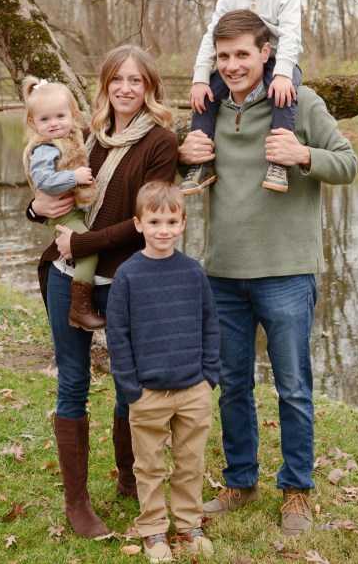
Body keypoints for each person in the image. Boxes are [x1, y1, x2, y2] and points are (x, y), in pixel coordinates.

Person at [178, 9, 358, 537]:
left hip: (287, 272)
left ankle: (297, 489)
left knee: (293, 387)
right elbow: (178, 172)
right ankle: (240, 481)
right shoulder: (207, 108)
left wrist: (303, 154)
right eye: (224, 56)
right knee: (232, 384)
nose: (233, 65)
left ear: (265, 53)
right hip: (223, 273)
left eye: (243, 54)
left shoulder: (299, 102)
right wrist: (181, 156)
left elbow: (348, 163)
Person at [27, 46, 179, 538]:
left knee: (129, 383)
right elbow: (56, 193)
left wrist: (83, 242)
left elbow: (147, 221)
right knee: (73, 381)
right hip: (65, 274)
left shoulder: (160, 143)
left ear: (149, 86)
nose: (125, 89)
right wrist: (35, 208)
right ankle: (77, 502)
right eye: (117, 79)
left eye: (136, 80)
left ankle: (130, 479)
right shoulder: (85, 134)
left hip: (126, 280)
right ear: (105, 85)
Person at [107, 181, 220, 562]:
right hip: (148, 393)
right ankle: (153, 529)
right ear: (139, 224)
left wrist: (208, 377)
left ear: (183, 223)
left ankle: (189, 524)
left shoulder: (193, 272)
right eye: (154, 222)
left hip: (192, 390)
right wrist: (131, 388)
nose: (163, 230)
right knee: (149, 466)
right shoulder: (128, 275)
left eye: (172, 222)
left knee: (190, 463)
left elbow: (210, 325)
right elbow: (118, 335)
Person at [180, 0, 302, 195]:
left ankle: (279, 162)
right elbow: (212, 37)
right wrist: (200, 78)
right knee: (206, 96)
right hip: (239, 62)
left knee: (283, 96)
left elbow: (291, 36)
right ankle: (202, 163)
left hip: (278, 59)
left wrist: (283, 74)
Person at [22, 76, 104, 331]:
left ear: (73, 114)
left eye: (60, 116)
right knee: (87, 250)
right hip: (64, 214)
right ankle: (80, 308)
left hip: (74, 210)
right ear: (33, 123)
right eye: (45, 119)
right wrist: (74, 178)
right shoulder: (45, 148)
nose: (54, 123)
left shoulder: (74, 137)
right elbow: (43, 180)